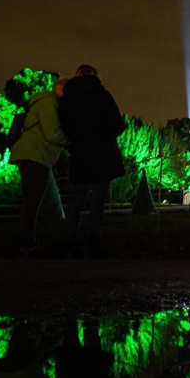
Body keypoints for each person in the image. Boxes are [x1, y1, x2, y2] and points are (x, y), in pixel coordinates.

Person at [59, 65, 126, 257]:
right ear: (96, 76)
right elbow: (118, 124)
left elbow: (64, 126)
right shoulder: (103, 96)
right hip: (103, 154)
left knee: (76, 201)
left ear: (76, 76)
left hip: (80, 153)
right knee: (98, 202)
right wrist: (105, 136)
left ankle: (70, 244)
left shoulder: (67, 100)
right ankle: (93, 244)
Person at [9, 76, 70, 256]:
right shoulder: (49, 104)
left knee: (32, 201)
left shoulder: (42, 102)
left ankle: (27, 240)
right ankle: (27, 243)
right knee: (32, 202)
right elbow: (53, 133)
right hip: (35, 155)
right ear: (60, 89)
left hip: (31, 154)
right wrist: (72, 141)